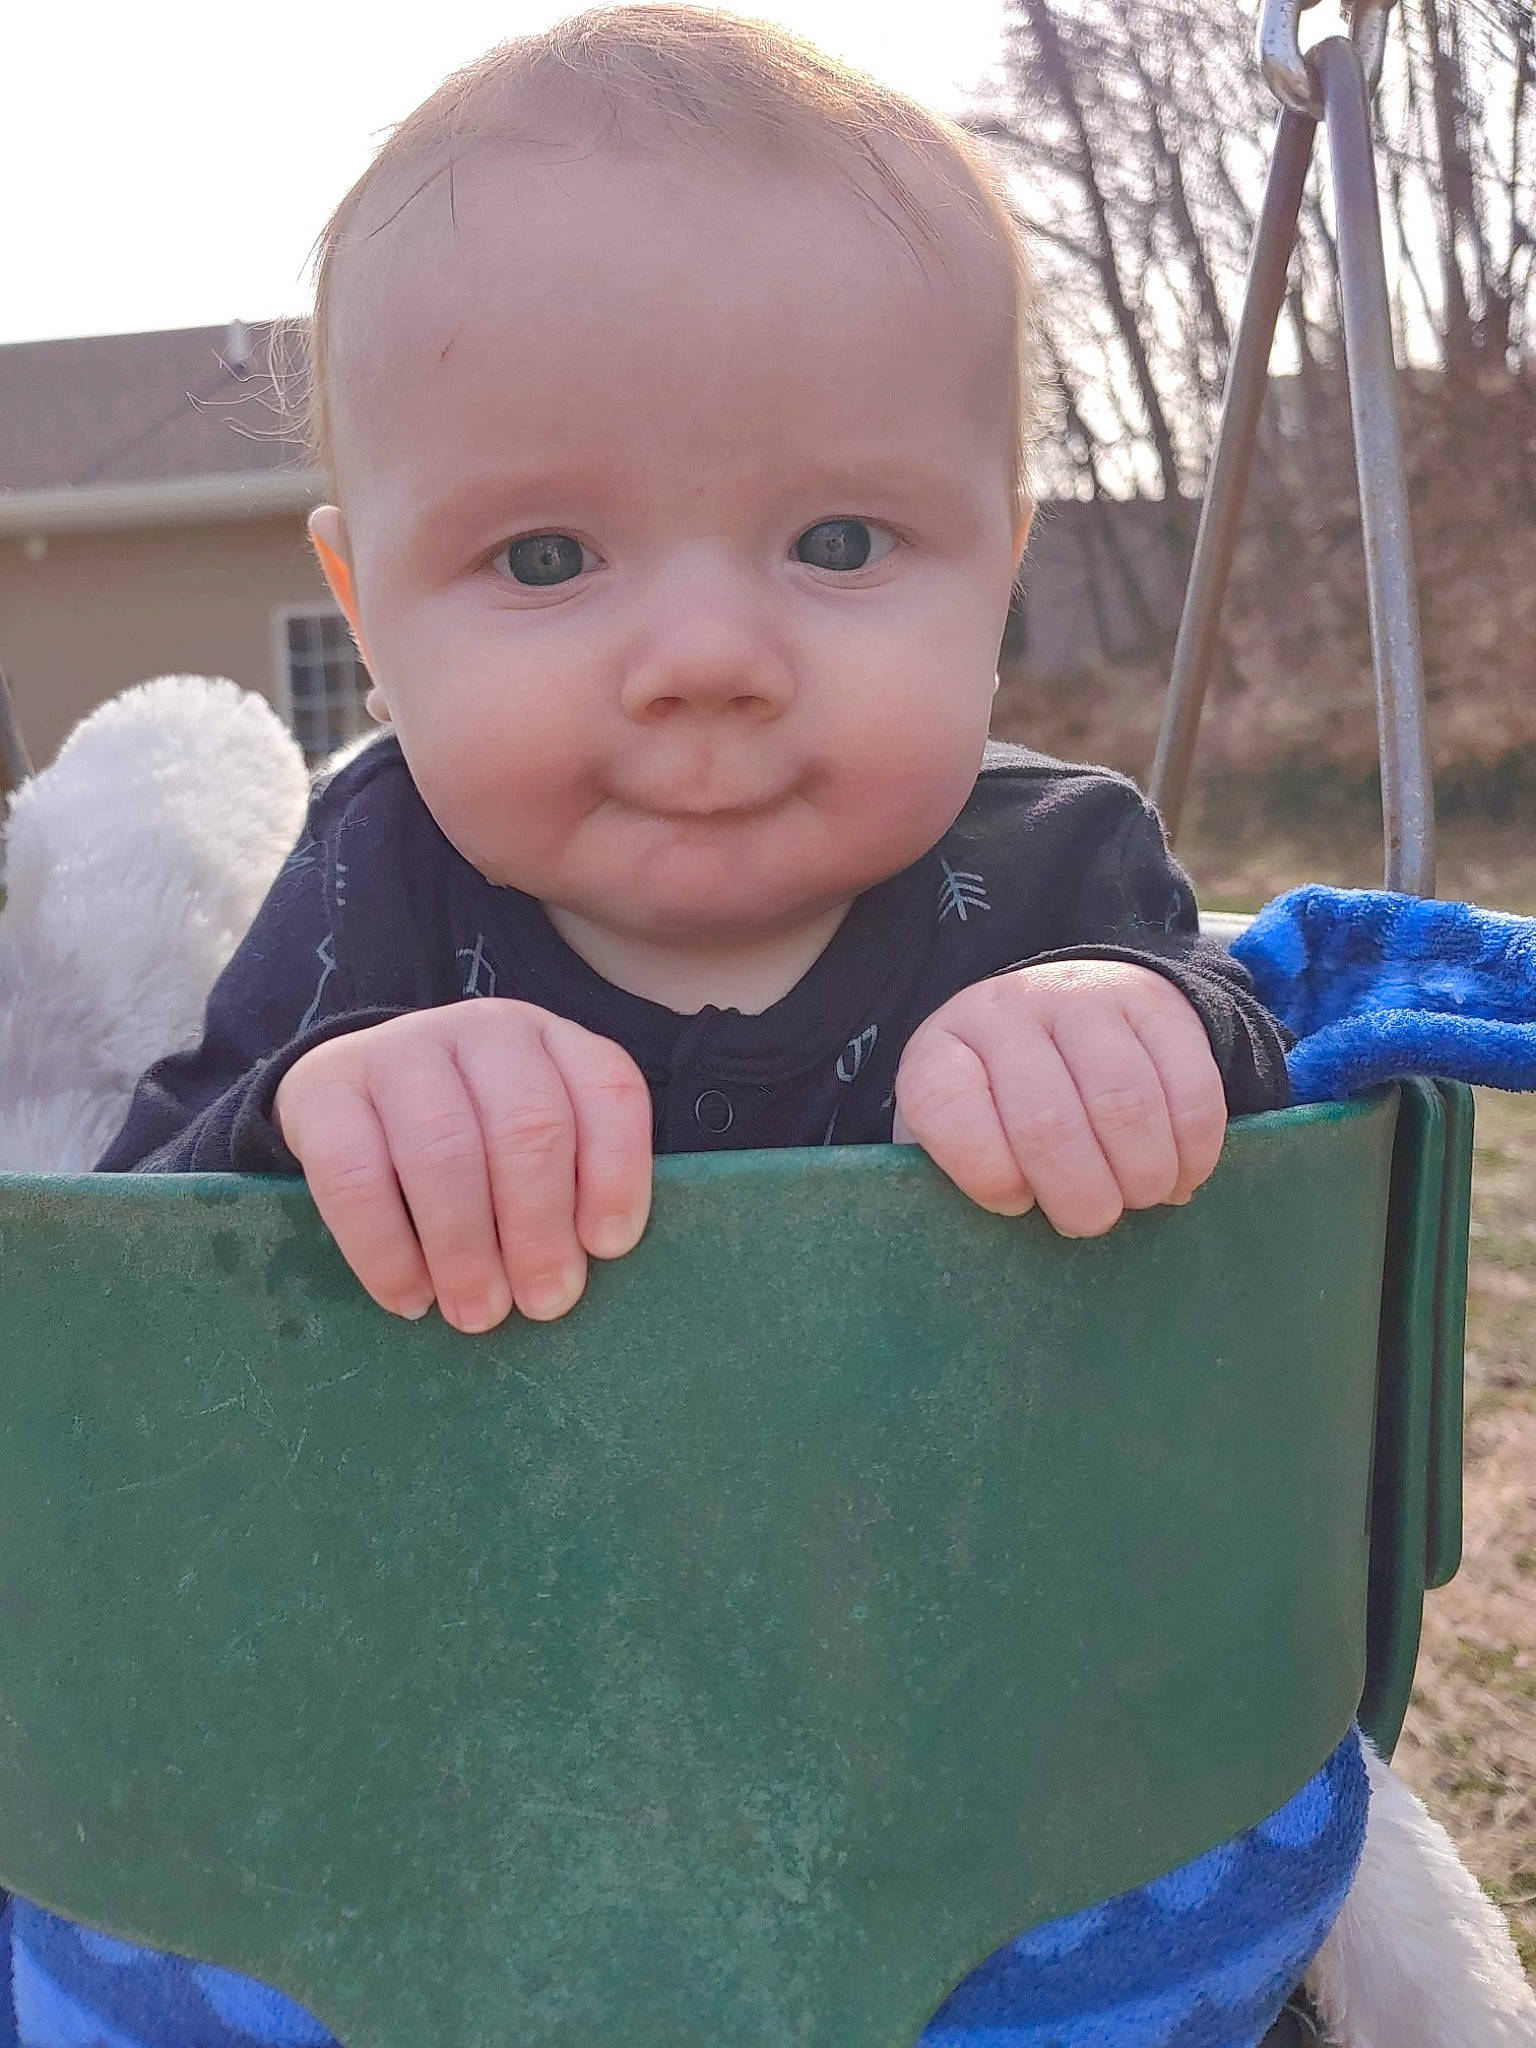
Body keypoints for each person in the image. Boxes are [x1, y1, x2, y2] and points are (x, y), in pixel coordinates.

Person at [9, 12, 1358, 2046]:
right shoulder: (383, 879)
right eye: (545, 558)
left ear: (996, 551)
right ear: (367, 606)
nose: (711, 659)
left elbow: (1248, 1115)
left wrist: (1138, 1034)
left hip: (962, 1736)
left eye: (839, 544)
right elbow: (151, 1244)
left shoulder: (1061, 871)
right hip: (479, 1739)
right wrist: (324, 1114)